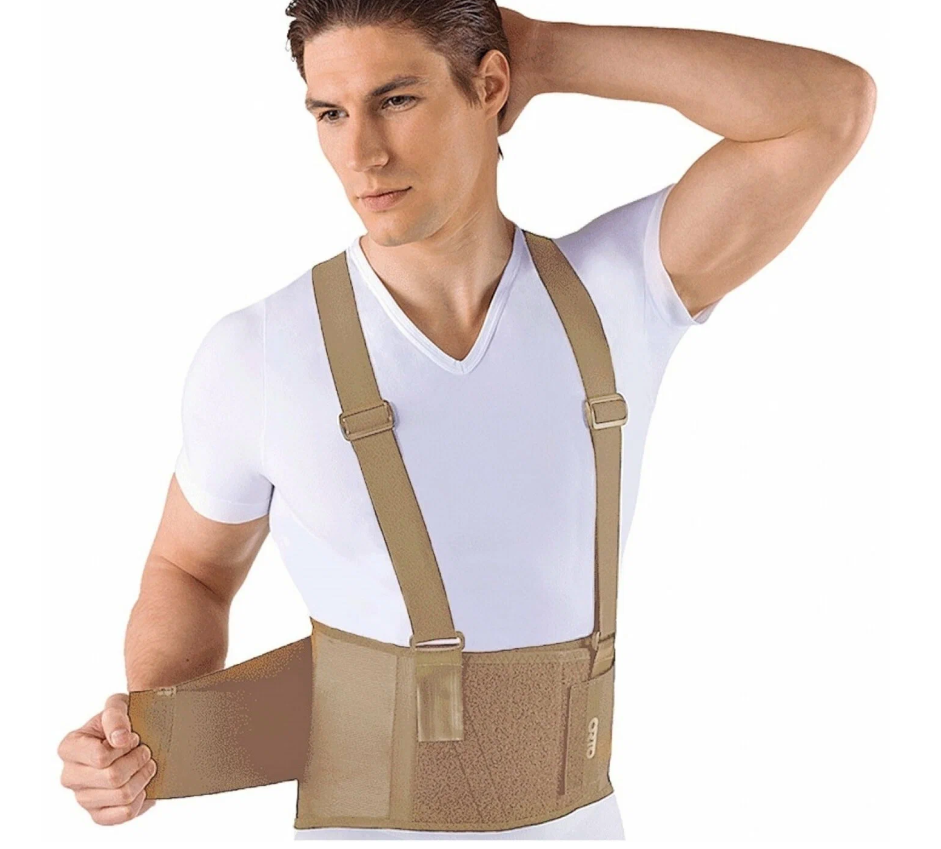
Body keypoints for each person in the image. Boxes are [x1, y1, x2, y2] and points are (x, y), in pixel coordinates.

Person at [56, 0, 875, 838]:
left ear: (488, 86)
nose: (361, 153)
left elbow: (829, 107)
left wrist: (548, 52)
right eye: (330, 113)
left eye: (396, 100)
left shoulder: (618, 290)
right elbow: (189, 569)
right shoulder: (258, 352)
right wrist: (152, 742)